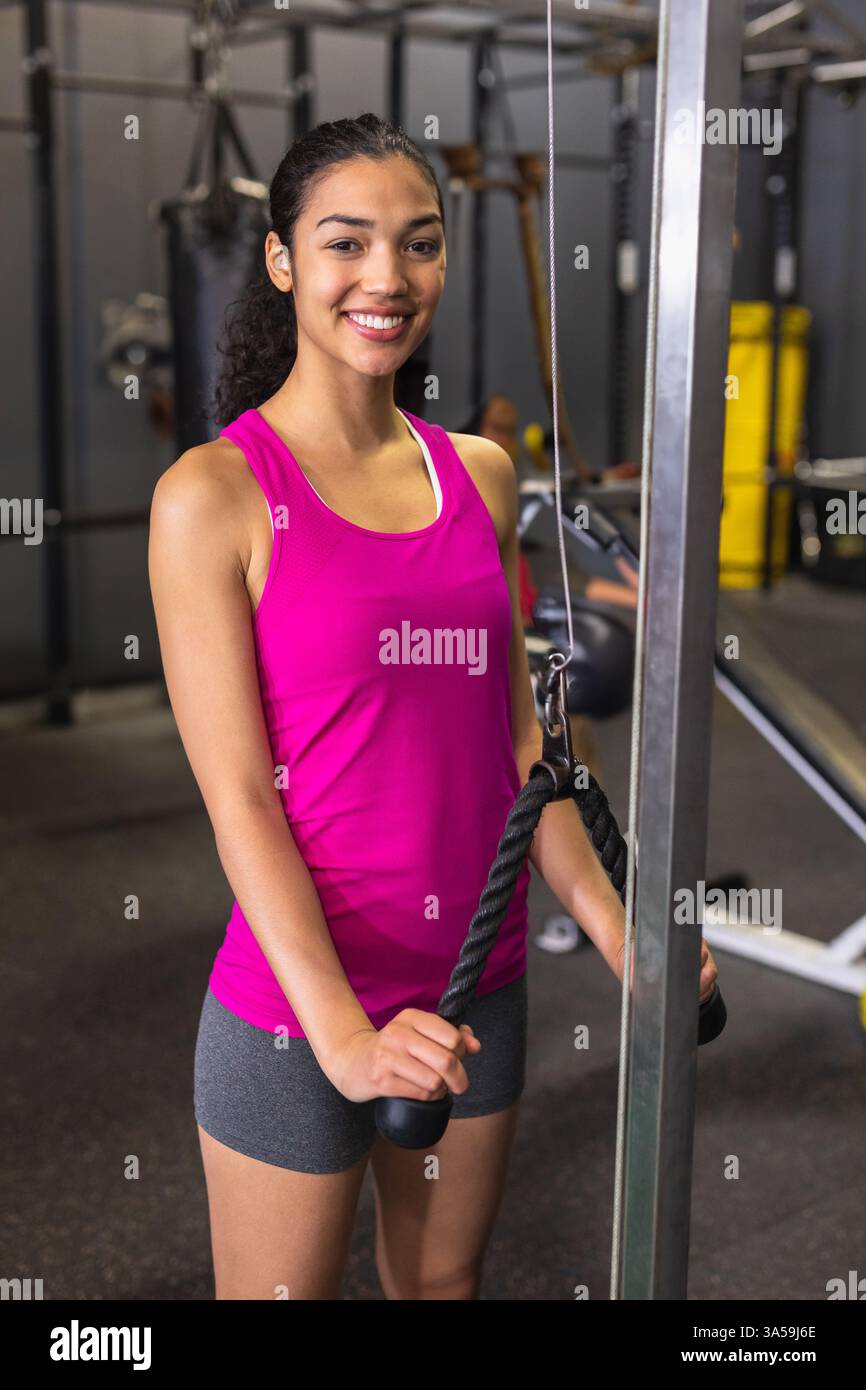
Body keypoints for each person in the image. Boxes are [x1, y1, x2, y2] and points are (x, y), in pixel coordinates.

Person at [148, 113, 718, 1301]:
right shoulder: (213, 495)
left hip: (474, 980)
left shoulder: (478, 472)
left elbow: (519, 750)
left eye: (417, 244)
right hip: (299, 1002)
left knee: (441, 1287)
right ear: (282, 260)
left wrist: (619, 929)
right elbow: (241, 801)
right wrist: (345, 1037)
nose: (385, 278)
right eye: (345, 243)